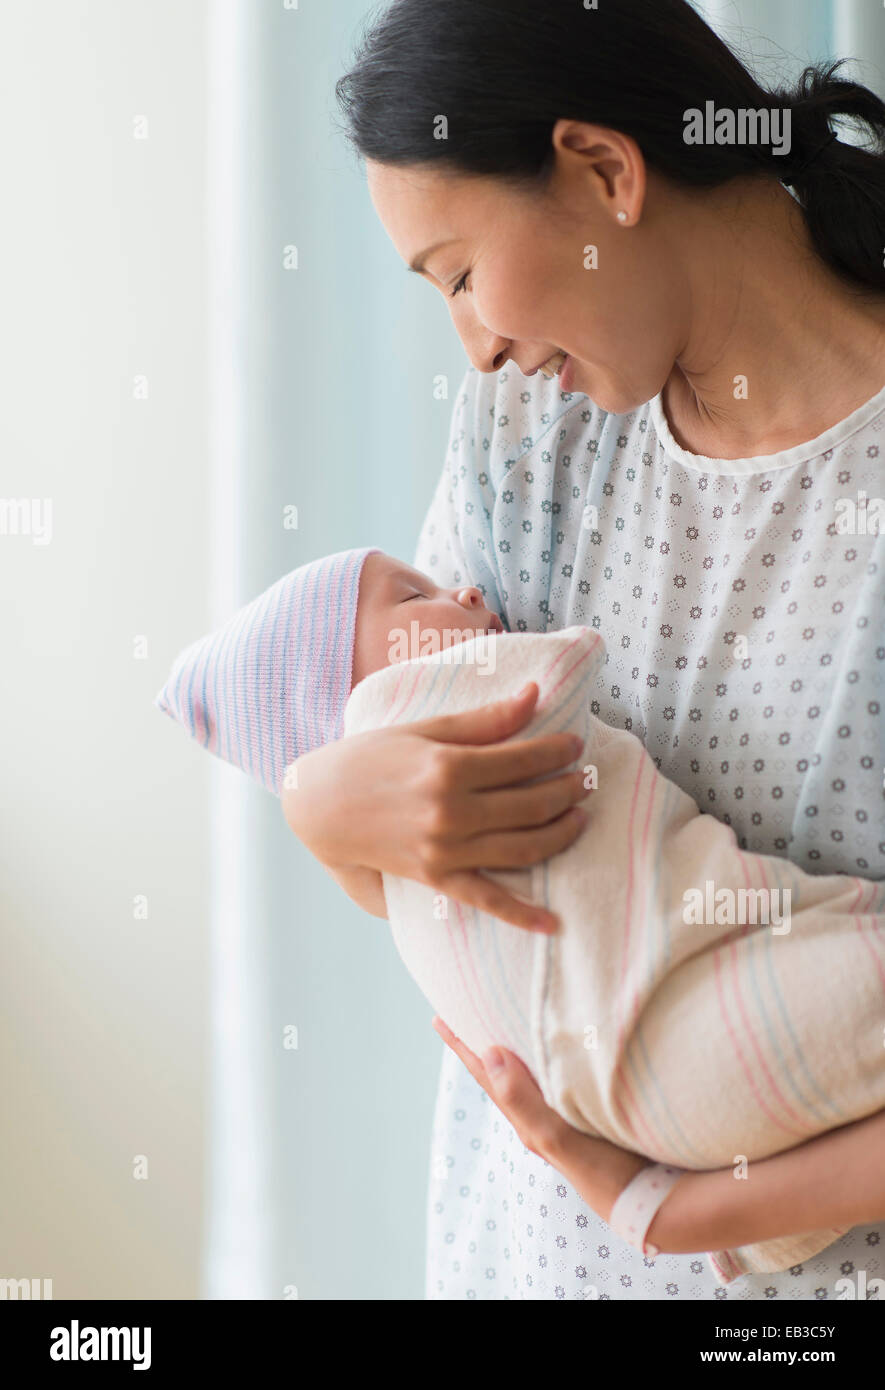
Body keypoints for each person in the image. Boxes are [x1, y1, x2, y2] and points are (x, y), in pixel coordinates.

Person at [289, 0, 885, 1298]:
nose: (477, 342)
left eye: (457, 273)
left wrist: (675, 1209)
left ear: (605, 171)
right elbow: (475, 889)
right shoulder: (525, 441)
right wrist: (329, 811)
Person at [156, 542, 885, 1285]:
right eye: (416, 599)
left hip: (652, 1129)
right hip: (680, 1029)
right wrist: (314, 792)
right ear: (361, 697)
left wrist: (311, 794)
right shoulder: (439, 702)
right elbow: (560, 674)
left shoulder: (390, 874)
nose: (467, 591)